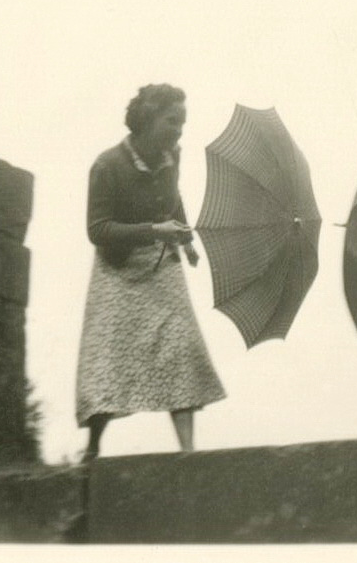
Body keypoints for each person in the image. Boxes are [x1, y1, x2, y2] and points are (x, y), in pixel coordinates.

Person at [75, 83, 225, 461]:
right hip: (118, 268)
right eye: (172, 121)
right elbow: (97, 231)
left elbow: (174, 198)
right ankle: (92, 449)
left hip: (163, 265)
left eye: (183, 123)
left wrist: (187, 239)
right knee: (107, 357)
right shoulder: (107, 165)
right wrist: (154, 231)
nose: (178, 131)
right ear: (146, 119)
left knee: (179, 346)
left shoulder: (172, 155)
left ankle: (188, 451)